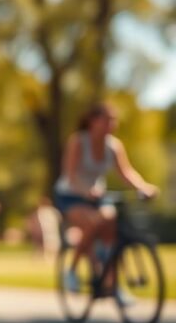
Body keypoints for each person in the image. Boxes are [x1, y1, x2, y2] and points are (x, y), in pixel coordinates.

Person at [54, 103, 158, 302]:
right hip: (71, 194)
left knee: (111, 228)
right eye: (107, 119)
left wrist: (143, 187)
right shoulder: (78, 141)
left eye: (114, 120)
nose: (112, 124)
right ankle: (72, 270)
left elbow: (126, 172)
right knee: (93, 223)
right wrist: (85, 190)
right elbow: (70, 174)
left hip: (97, 195)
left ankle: (113, 284)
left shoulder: (114, 146)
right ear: (93, 121)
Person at [28, 196, 62, 261]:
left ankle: (50, 258)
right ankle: (47, 258)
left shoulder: (49, 211)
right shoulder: (48, 211)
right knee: (47, 245)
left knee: (52, 244)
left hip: (50, 230)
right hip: (46, 230)